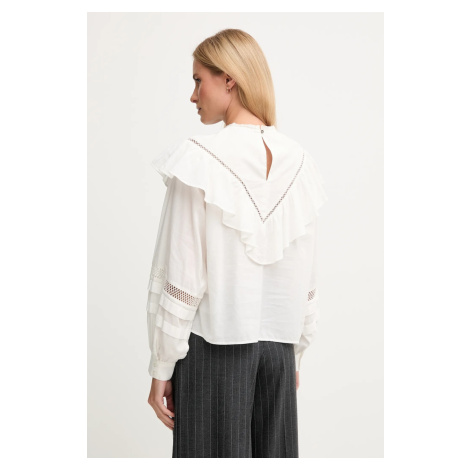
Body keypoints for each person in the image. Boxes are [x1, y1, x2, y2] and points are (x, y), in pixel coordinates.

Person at [146, 28, 327, 458]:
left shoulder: (199, 160)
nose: (193, 95)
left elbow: (183, 272)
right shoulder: (301, 164)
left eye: (198, 80)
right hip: (278, 356)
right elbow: (306, 275)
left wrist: (162, 365)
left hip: (213, 352)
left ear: (229, 79)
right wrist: (294, 354)